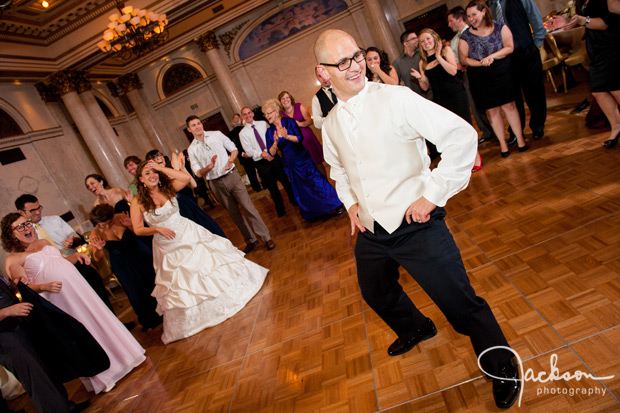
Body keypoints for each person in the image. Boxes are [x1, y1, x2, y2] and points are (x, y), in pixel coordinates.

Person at [314, 29, 520, 409]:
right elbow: (339, 170)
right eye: (342, 62)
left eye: (357, 56)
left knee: (461, 305)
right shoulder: (329, 124)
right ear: (323, 73)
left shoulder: (396, 98)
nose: (355, 66)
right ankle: (416, 326)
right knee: (375, 291)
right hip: (372, 229)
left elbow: (461, 136)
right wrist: (351, 206)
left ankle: (502, 365)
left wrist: (433, 194)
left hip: (416, 222)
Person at [1, 213, 146, 394]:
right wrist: (44, 286)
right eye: (20, 227)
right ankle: (104, 375)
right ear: (11, 234)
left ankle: (125, 357)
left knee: (97, 318)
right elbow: (22, 288)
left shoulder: (44, 244)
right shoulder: (13, 259)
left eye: (27, 224)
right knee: (83, 330)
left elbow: (59, 262)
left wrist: (78, 257)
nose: (27, 228)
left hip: (79, 288)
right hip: (60, 298)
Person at [129, 160, 269, 344]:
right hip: (167, 245)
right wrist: (156, 229)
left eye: (153, 172)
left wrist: (162, 168)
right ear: (140, 179)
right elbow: (138, 229)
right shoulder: (137, 201)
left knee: (207, 265)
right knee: (182, 280)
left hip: (188, 233)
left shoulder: (168, 188)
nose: (152, 175)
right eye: (147, 173)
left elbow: (186, 178)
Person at [0, 278, 102, 413]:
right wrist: (8, 311)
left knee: (45, 372)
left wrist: (14, 286)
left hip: (19, 329)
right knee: (37, 381)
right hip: (6, 338)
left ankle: (65, 407)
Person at [186, 115, 275, 252]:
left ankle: (266, 238)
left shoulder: (216, 134)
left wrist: (231, 160)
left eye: (199, 123)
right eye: (193, 125)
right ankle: (250, 240)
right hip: (216, 183)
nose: (198, 126)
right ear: (189, 129)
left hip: (232, 176)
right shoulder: (192, 149)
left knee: (249, 208)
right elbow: (197, 172)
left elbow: (233, 149)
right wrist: (208, 167)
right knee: (235, 214)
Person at [14, 194, 113, 312]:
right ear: (21, 212)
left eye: (39, 208)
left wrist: (72, 242)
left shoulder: (54, 220)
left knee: (100, 295)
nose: (37, 212)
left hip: (77, 264)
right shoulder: (26, 235)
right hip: (58, 275)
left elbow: (78, 239)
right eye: (32, 210)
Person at [459, 0, 528, 157]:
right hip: (480, 75)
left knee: (510, 105)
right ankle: (503, 145)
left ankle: (521, 140)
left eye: (474, 14)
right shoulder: (466, 36)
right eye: (469, 16)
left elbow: (509, 47)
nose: (471, 19)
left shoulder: (499, 27)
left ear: (483, 12)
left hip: (502, 70)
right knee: (492, 111)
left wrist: (491, 57)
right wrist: (480, 63)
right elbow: (463, 59)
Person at [412, 29, 482, 172]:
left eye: (428, 39)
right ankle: (463, 161)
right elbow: (425, 87)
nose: (426, 43)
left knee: (465, 126)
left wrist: (438, 56)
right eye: (422, 41)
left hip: (456, 94)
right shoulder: (423, 62)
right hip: (440, 99)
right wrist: (420, 79)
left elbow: (453, 71)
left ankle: (476, 158)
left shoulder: (446, 50)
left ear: (434, 38)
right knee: (452, 131)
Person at [262, 98, 343, 221]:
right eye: (265, 114)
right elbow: (271, 153)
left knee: (316, 183)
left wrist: (286, 136)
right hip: (290, 164)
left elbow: (299, 139)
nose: (266, 116)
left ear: (277, 111)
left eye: (269, 112)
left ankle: (334, 205)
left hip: (302, 159)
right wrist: (275, 142)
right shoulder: (269, 132)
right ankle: (314, 213)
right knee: (302, 189)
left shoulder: (289, 122)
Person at [89, 204, 163, 332]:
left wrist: (129, 225)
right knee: (135, 291)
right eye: (102, 225)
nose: (106, 226)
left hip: (138, 253)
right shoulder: (95, 233)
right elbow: (96, 258)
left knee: (152, 280)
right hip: (121, 263)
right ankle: (150, 318)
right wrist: (99, 250)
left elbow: (140, 232)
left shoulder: (120, 217)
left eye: (109, 222)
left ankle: (166, 310)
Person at [488, 0, 547, 142]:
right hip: (505, 58)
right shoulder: (489, 6)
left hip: (526, 51)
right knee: (512, 97)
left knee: (534, 92)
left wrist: (537, 45)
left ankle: (538, 125)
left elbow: (535, 18)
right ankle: (516, 130)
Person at [569, 0, 620, 148]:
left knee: (616, 90)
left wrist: (583, 20)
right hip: (597, 51)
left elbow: (604, 23)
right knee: (598, 91)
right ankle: (616, 126)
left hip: (611, 48)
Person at [145, 149, 225, 238]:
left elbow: (193, 184)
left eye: (160, 154)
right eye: (155, 157)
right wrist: (177, 169)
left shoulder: (170, 169)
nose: (159, 157)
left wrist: (182, 168)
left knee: (211, 229)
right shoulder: (156, 178)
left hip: (188, 203)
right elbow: (172, 189)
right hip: (178, 210)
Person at [447, 6, 495, 144]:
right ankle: (487, 131)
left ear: (459, 19)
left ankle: (495, 130)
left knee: (490, 103)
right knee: (475, 106)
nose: (449, 25)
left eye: (451, 21)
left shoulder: (473, 33)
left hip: (481, 72)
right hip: (466, 76)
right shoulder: (455, 39)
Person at [239, 106, 297, 217]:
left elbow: (271, 137)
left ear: (252, 113)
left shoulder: (263, 123)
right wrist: (262, 154)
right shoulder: (242, 133)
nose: (248, 115)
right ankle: (280, 209)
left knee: (285, 180)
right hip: (261, 162)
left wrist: (268, 151)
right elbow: (248, 150)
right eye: (245, 114)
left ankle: (294, 201)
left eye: (249, 113)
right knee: (272, 187)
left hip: (273, 156)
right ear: (243, 117)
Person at [279, 91, 328, 178]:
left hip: (308, 140)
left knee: (317, 162)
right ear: (280, 102)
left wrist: (299, 124)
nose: (285, 100)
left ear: (291, 99)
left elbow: (310, 121)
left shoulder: (299, 106)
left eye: (287, 97)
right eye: (283, 98)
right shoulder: (281, 115)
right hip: (296, 144)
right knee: (305, 166)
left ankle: (325, 182)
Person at [228, 113, 263, 192]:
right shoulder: (246, 129)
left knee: (251, 173)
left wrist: (243, 154)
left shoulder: (230, 134)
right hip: (253, 153)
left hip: (243, 156)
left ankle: (256, 188)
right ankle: (265, 184)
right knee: (260, 169)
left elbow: (233, 147)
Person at [392, 30, 431, 98]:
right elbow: (395, 84)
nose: (417, 40)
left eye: (417, 38)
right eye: (413, 38)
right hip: (414, 99)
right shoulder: (397, 63)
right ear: (405, 43)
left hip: (432, 96)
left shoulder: (424, 53)